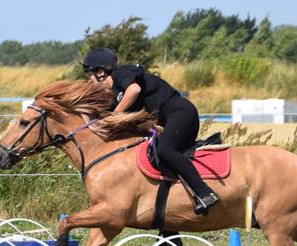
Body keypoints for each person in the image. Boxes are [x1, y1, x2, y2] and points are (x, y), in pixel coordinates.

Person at [81, 47, 220, 214]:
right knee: (156, 159)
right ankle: (169, 229)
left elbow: (134, 90)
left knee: (164, 149)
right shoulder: (113, 94)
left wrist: (114, 115)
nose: (88, 80)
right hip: (170, 120)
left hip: (181, 112)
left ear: (101, 72)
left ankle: (206, 193)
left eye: (89, 75)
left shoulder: (121, 73)